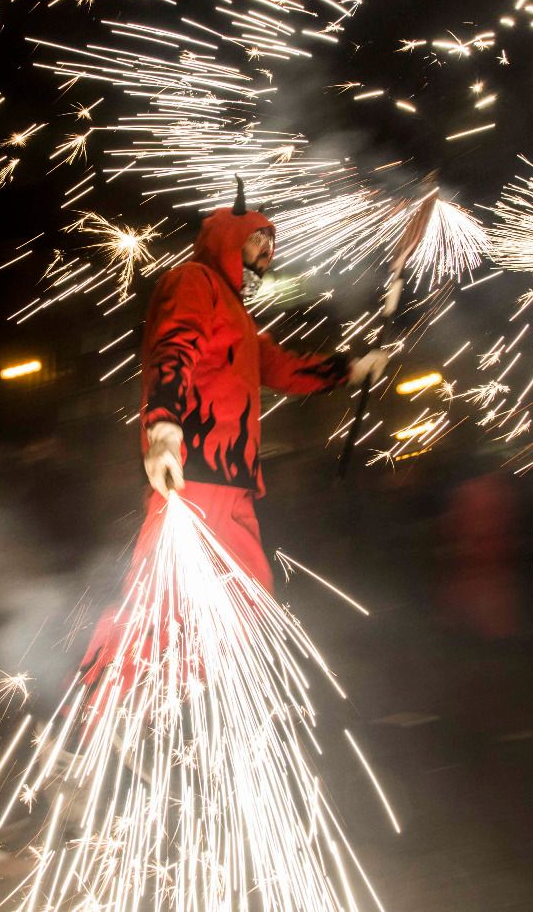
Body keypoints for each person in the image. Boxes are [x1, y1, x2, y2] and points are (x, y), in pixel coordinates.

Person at [79, 180, 387, 687]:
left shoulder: (237, 316)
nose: (268, 253)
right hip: (193, 474)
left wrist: (353, 369)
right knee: (159, 607)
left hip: (234, 482)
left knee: (244, 603)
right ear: (229, 238)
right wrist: (162, 429)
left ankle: (168, 709)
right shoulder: (194, 281)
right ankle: (85, 722)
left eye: (272, 244)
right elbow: (172, 349)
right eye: (258, 240)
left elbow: (285, 368)